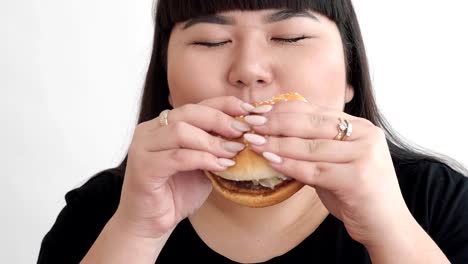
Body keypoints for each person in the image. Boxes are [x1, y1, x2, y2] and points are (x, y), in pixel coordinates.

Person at [38, 0, 468, 263]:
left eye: (292, 37)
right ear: (167, 83)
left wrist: (389, 231)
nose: (248, 71)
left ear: (350, 76)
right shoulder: (102, 215)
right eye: (210, 41)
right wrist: (137, 233)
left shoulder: (438, 202)